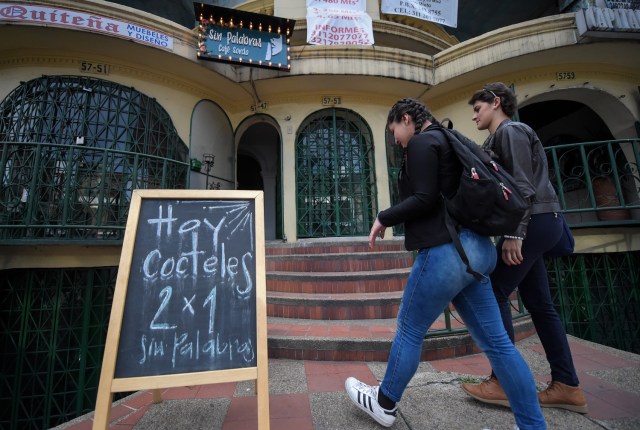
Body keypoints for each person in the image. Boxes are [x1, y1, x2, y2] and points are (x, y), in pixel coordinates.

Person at [344, 98, 547, 429]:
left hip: (446, 252)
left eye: (393, 129)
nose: (395, 138)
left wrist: (383, 217)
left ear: (406, 119)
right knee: (499, 345)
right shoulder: (449, 139)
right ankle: (533, 425)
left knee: (410, 328)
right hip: (478, 251)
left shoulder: (423, 141)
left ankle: (384, 403)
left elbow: (423, 198)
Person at [461, 83, 587, 414]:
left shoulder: (511, 131)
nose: (474, 115)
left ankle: (503, 381)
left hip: (532, 222)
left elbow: (521, 185)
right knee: (540, 304)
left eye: (478, 108)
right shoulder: (500, 136)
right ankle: (567, 386)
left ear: (496, 103)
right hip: (541, 221)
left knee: (496, 292)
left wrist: (516, 234)